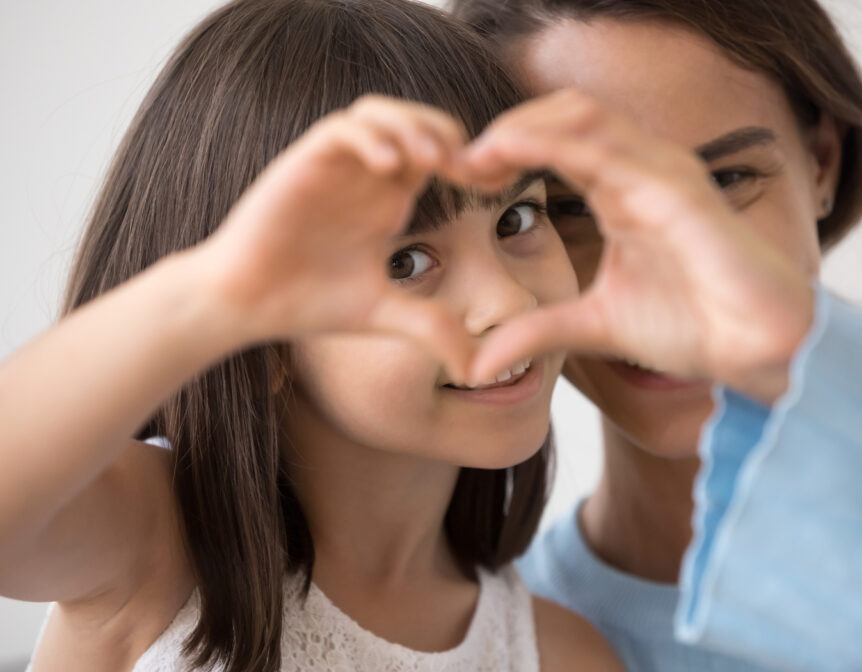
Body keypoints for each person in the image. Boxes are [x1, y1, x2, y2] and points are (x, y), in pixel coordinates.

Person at [0, 1, 626, 670]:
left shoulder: (561, 654)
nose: (509, 300)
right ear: (262, 331)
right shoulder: (153, 549)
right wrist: (215, 296)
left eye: (515, 219)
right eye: (405, 261)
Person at [448, 1, 862, 670]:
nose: (665, 280)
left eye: (724, 181)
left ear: (822, 165)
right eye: (572, 206)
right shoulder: (504, 649)